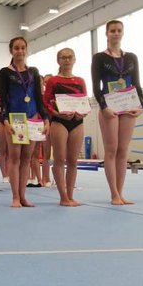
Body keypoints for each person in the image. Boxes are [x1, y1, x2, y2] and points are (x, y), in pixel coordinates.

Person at [92, 19, 143, 205]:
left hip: (128, 105)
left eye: (119, 30)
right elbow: (96, 86)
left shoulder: (131, 58)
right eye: (112, 30)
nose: (116, 33)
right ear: (106, 33)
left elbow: (136, 83)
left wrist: (141, 106)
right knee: (111, 149)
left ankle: (121, 193)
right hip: (110, 106)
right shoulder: (99, 58)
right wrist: (104, 107)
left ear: (123, 33)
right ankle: (113, 193)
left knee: (123, 150)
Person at [0, 37, 49, 208]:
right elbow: (4, 99)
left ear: (26, 49)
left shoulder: (33, 71)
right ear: (11, 51)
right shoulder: (5, 72)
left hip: (33, 117)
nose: (20, 51)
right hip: (16, 118)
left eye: (22, 48)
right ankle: (15, 197)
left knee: (27, 158)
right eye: (16, 48)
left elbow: (39, 98)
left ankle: (23, 196)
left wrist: (45, 119)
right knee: (15, 158)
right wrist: (5, 120)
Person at [44, 48, 89, 207]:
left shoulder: (80, 81)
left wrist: (83, 113)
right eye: (63, 58)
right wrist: (57, 113)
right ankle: (63, 197)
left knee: (73, 161)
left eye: (70, 57)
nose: (67, 60)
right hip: (59, 121)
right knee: (59, 158)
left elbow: (85, 101)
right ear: (58, 60)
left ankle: (70, 195)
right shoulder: (53, 81)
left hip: (77, 122)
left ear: (74, 59)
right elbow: (46, 102)